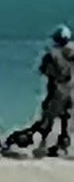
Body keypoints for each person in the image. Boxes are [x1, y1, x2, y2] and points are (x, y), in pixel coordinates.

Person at [30, 26, 74, 155]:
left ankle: (42, 145)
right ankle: (64, 147)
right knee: (66, 119)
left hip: (56, 90)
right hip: (71, 89)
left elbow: (43, 70)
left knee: (48, 119)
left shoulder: (52, 54)